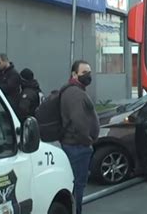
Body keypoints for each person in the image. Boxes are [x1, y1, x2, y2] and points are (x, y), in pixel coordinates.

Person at [60, 60, 99, 214]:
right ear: (74, 74)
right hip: (77, 146)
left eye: (89, 72)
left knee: (77, 184)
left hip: (75, 145)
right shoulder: (75, 93)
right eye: (84, 73)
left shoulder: (76, 90)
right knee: (78, 185)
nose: (88, 76)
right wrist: (88, 141)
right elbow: (79, 121)